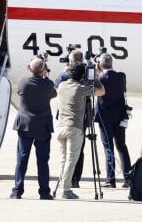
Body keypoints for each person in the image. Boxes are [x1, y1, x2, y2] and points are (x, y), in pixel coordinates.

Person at [55, 62, 105, 199]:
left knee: (63, 159)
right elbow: (101, 92)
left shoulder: (62, 85)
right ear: (82, 75)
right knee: (71, 159)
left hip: (60, 127)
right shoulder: (81, 88)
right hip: (74, 128)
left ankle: (61, 187)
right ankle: (65, 190)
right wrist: (96, 78)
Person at [10, 57, 57, 200]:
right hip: (42, 126)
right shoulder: (48, 84)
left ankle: (17, 190)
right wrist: (45, 76)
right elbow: (53, 93)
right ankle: (44, 192)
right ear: (43, 69)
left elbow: (20, 92)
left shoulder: (23, 82)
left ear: (29, 69)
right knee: (43, 161)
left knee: (22, 159)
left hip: (25, 125)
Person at [95, 53, 132, 189]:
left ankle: (111, 179)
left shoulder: (100, 78)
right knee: (122, 146)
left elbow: (96, 89)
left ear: (100, 65)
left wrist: (97, 74)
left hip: (105, 118)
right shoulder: (121, 76)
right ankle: (128, 178)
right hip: (119, 116)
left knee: (108, 148)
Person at [54, 49, 86, 188]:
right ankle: (74, 180)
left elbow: (55, 90)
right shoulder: (85, 77)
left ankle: (62, 182)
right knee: (77, 152)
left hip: (63, 118)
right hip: (79, 118)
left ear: (71, 60)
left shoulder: (63, 76)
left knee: (64, 156)